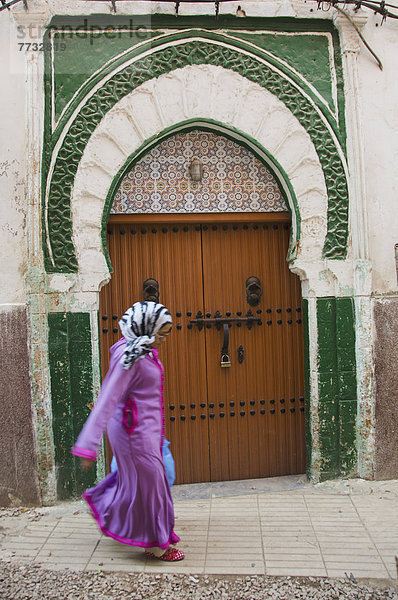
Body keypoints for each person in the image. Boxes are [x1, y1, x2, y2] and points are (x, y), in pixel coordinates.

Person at [71, 301, 184, 562]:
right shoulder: (129, 357)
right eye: (161, 333)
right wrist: (87, 445)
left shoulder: (141, 349)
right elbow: (107, 399)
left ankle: (105, 505)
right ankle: (157, 545)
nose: (163, 340)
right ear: (145, 328)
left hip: (145, 430)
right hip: (133, 433)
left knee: (142, 482)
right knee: (153, 484)